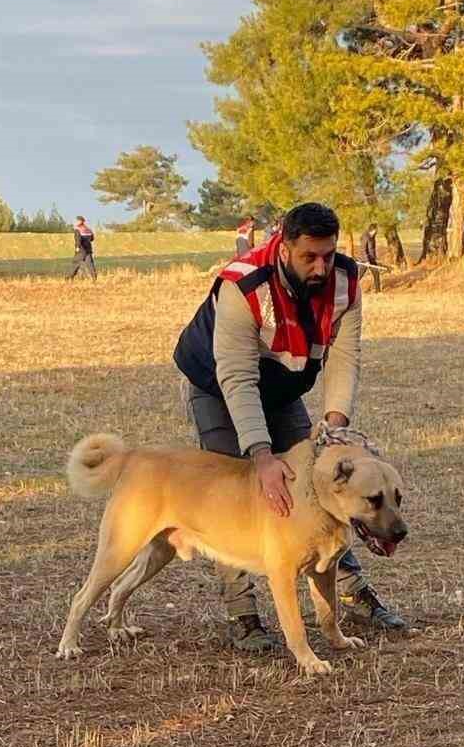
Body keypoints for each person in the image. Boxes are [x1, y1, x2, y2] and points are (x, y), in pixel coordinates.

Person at [174, 199, 407, 652]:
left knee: (323, 484)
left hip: (281, 385)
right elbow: (238, 378)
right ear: (283, 247)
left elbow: (344, 357)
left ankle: (353, 592)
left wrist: (335, 424)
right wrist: (261, 456)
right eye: (309, 256)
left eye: (327, 254)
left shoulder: (345, 280)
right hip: (219, 385)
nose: (320, 266)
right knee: (240, 493)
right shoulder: (243, 284)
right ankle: (244, 614)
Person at [70, 216, 96, 281]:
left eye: (76, 221)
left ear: (80, 221)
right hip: (88, 250)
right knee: (90, 265)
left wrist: (77, 247)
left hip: (81, 250)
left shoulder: (78, 229)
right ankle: (94, 278)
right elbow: (92, 238)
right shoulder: (88, 229)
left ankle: (69, 278)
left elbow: (78, 239)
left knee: (75, 263)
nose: (75, 222)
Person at [361, 222, 382, 293]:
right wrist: (366, 261)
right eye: (376, 230)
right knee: (360, 275)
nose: (377, 231)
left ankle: (378, 291)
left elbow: (372, 249)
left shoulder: (372, 237)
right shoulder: (365, 236)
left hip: (372, 259)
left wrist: (375, 258)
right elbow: (363, 249)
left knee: (376, 273)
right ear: (372, 230)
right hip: (365, 260)